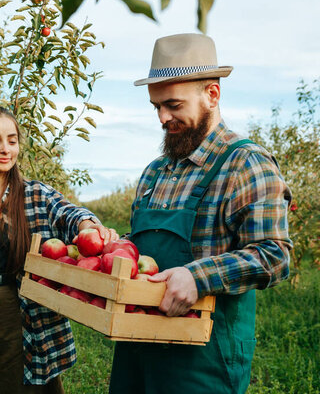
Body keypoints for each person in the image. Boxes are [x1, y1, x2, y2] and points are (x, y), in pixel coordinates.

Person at [108, 34, 292, 394]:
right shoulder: (154, 172)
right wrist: (115, 250)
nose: (163, 117)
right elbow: (145, 248)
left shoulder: (245, 163)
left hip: (202, 355)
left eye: (173, 105)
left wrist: (198, 278)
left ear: (212, 94)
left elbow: (275, 255)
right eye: (156, 106)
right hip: (136, 345)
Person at [0, 106, 118, 393]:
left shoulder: (36, 194)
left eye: (12, 141)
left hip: (26, 313)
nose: (5, 149)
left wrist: (88, 226)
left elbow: (70, 214)